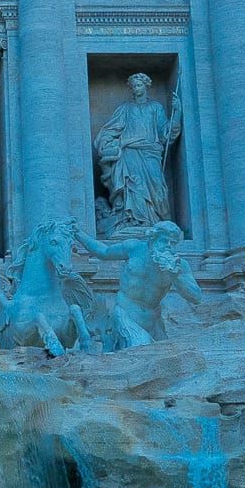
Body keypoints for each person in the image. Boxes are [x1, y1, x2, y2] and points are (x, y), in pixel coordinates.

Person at [75, 221, 203, 348]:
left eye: (173, 243)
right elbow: (103, 252)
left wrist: (175, 276)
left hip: (154, 322)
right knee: (141, 350)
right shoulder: (134, 248)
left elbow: (196, 297)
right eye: (164, 241)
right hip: (126, 315)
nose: (169, 246)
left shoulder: (179, 265)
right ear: (153, 238)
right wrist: (77, 232)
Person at [94, 73, 181, 233]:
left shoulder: (156, 108)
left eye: (139, 85)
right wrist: (108, 143)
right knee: (133, 186)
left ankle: (155, 220)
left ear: (146, 86)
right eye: (134, 86)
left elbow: (165, 134)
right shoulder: (125, 109)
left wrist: (177, 114)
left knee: (157, 188)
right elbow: (109, 131)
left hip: (150, 153)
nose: (136, 88)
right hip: (129, 154)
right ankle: (134, 221)